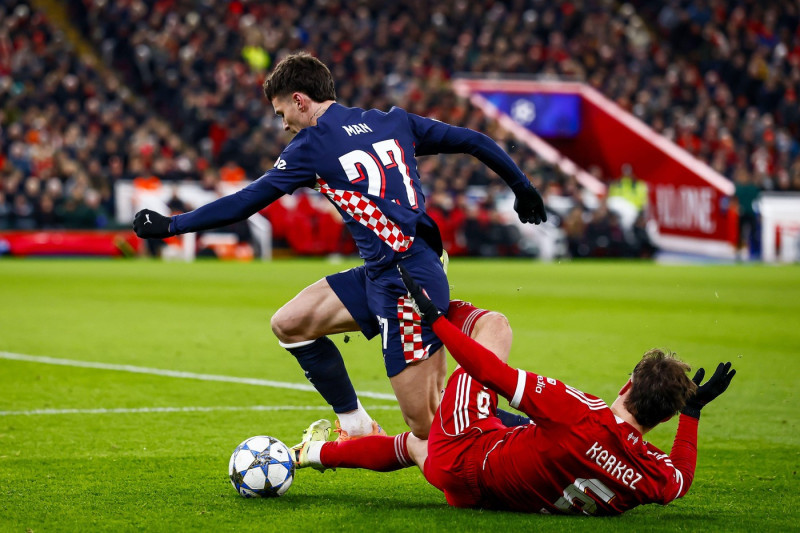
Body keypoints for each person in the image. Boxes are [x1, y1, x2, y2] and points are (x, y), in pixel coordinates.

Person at [132, 52, 547, 440]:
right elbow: (473, 139)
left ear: (300, 100)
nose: (283, 125)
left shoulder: (310, 147)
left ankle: (536, 429)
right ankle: (356, 423)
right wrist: (522, 187)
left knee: (427, 422)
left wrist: (172, 225)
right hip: (386, 269)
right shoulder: (393, 121)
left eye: (282, 114)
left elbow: (246, 201)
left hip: (404, 282)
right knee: (290, 324)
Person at [290, 265, 736, 516]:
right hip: (477, 492)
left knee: (494, 327)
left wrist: (438, 320)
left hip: (466, 452)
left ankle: (424, 284)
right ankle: (312, 454)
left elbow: (491, 372)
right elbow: (682, 477)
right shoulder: (652, 474)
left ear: (628, 383)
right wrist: (692, 414)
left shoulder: (579, 411)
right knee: (415, 445)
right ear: (664, 418)